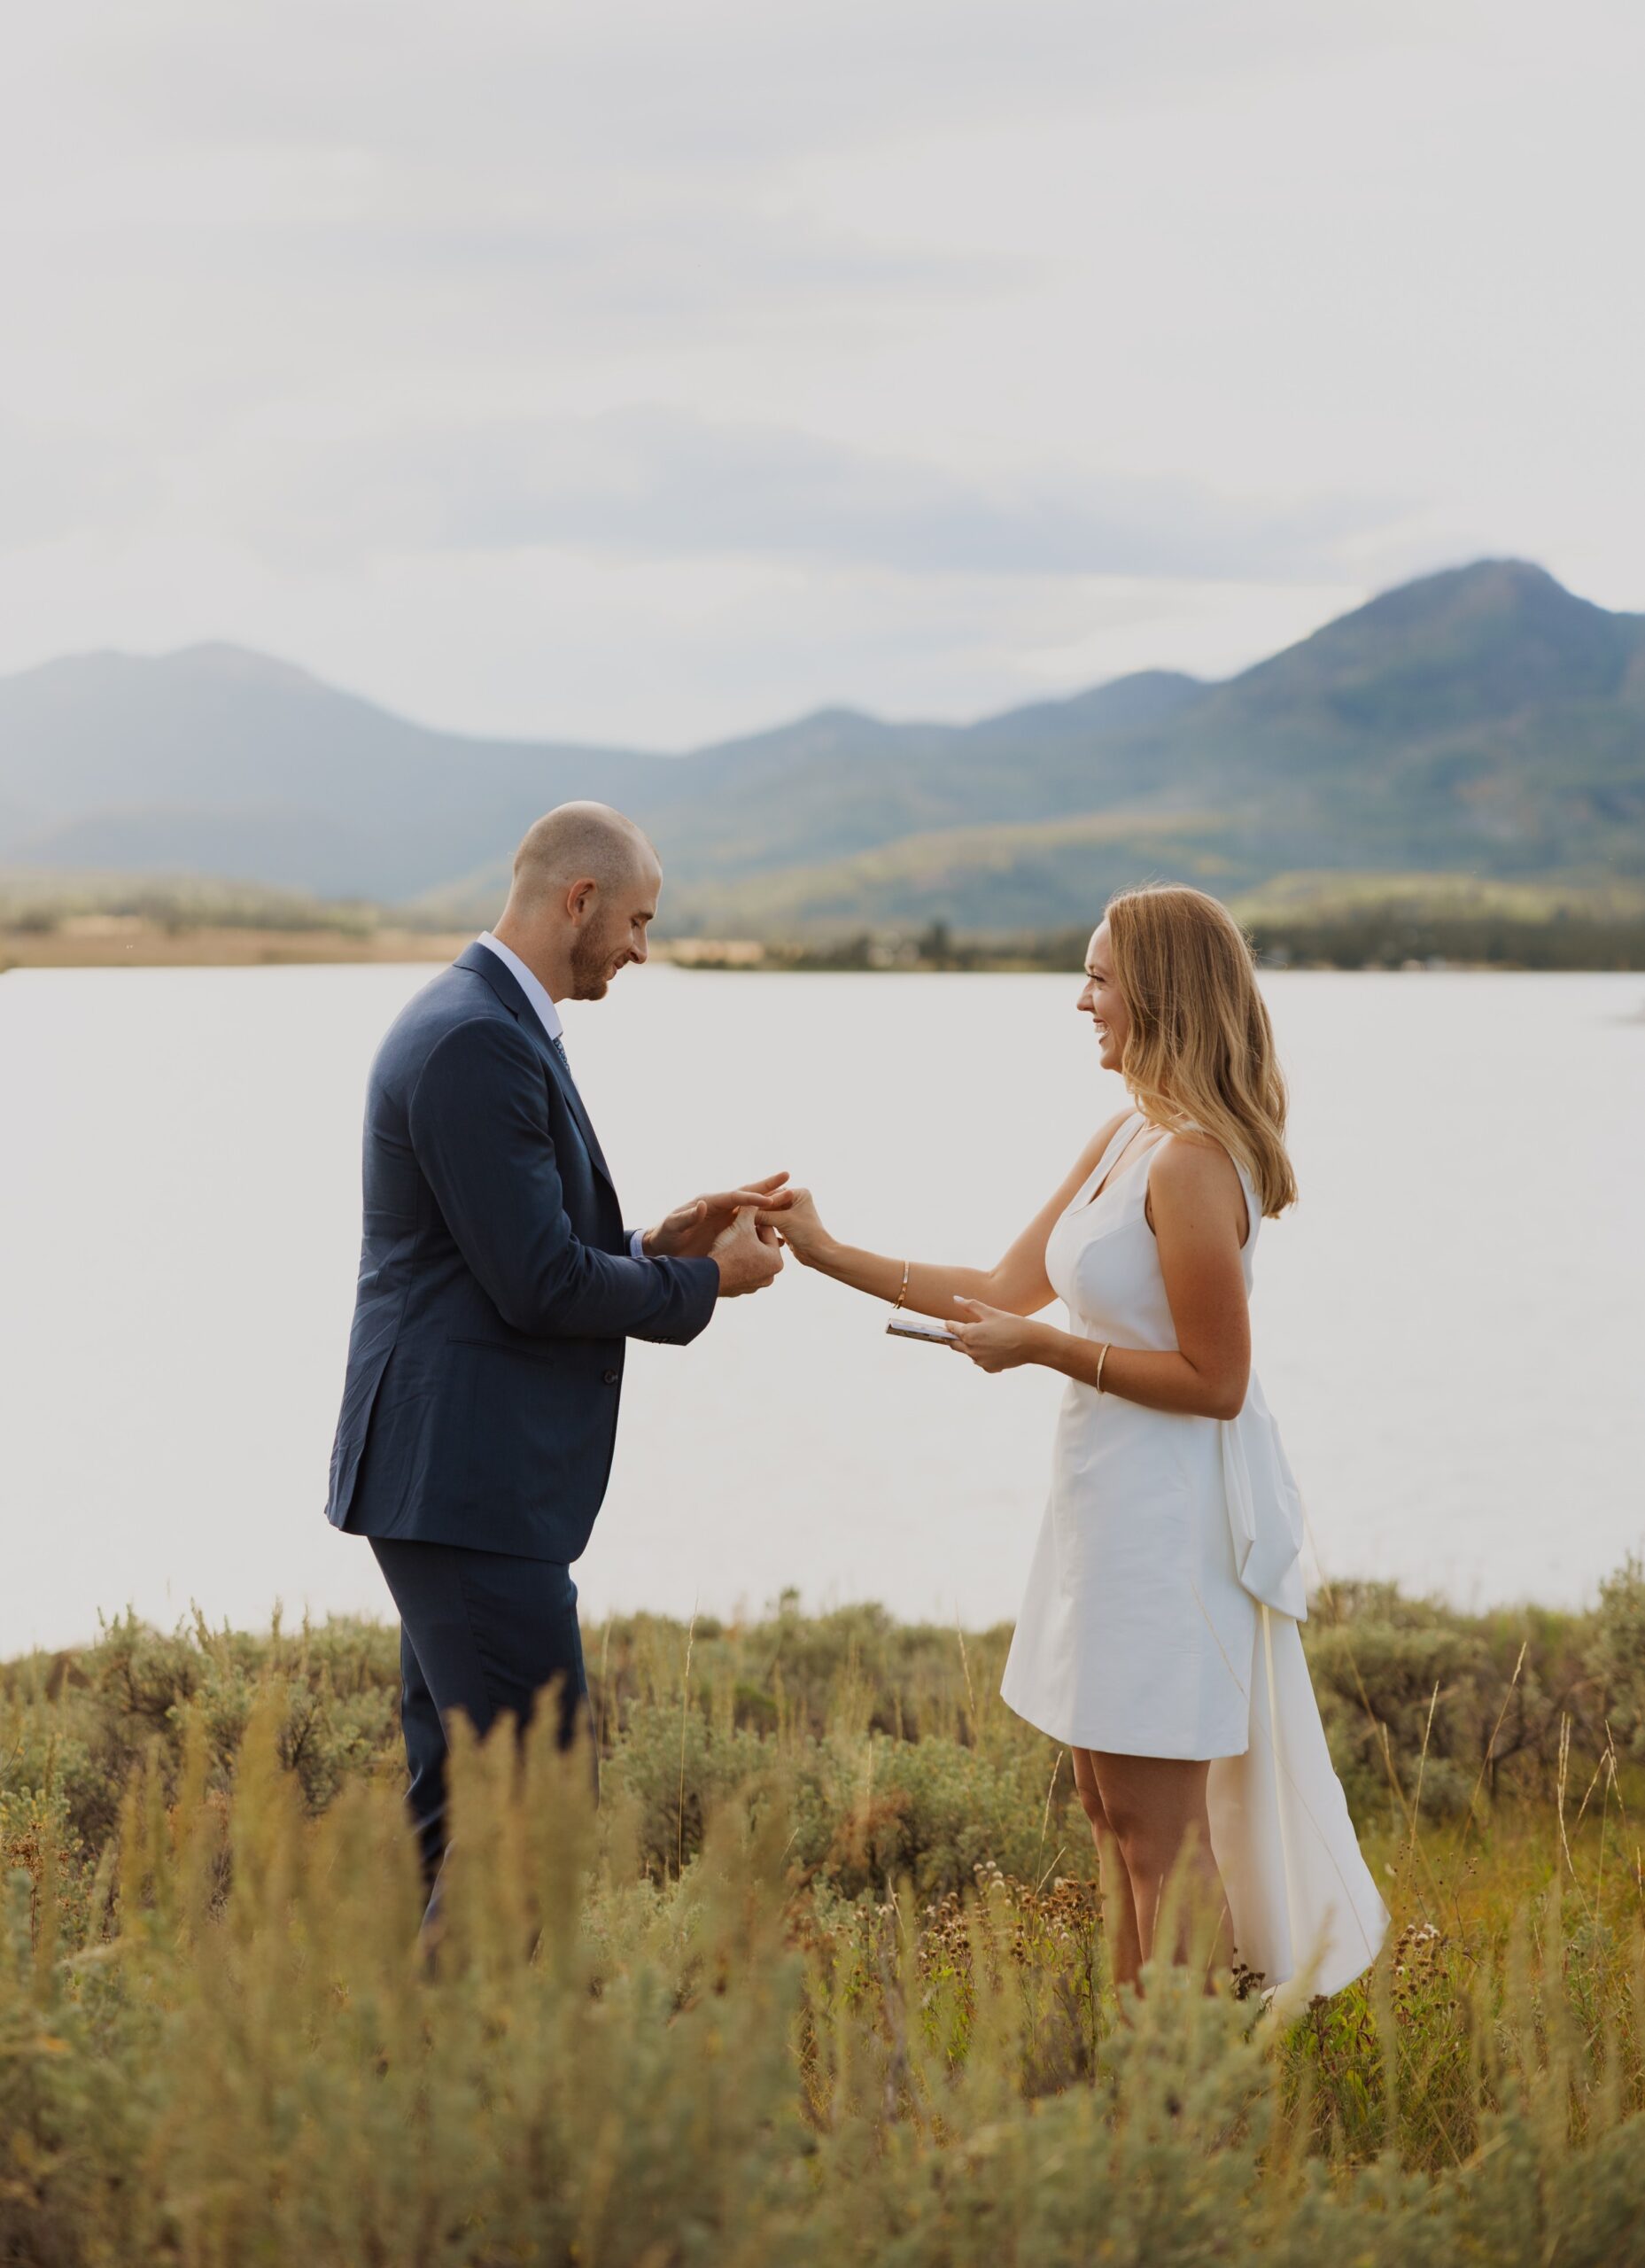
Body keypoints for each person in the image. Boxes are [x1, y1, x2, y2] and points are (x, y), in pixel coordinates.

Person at [763, 883, 1387, 1999]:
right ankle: (1137, 2072)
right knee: (1112, 1815)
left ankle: (1181, 2083)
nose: (1081, 999)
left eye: (1099, 977)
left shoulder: (1190, 1163)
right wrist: (827, 1251)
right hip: (1104, 1517)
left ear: (1161, 991)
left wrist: (1046, 1351)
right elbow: (1002, 1285)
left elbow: (1217, 1382)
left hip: (1168, 1531)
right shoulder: (1128, 1135)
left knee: (1161, 1836)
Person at [324, 801, 787, 1915]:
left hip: (450, 1483)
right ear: (579, 900)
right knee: (537, 1809)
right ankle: (473, 2030)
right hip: (469, 1489)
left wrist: (652, 1244)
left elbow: (509, 1251)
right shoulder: (477, 1038)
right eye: (637, 921)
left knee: (463, 1805)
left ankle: (427, 2031)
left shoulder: (481, 1019)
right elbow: (536, 1286)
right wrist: (708, 1282)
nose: (642, 949)